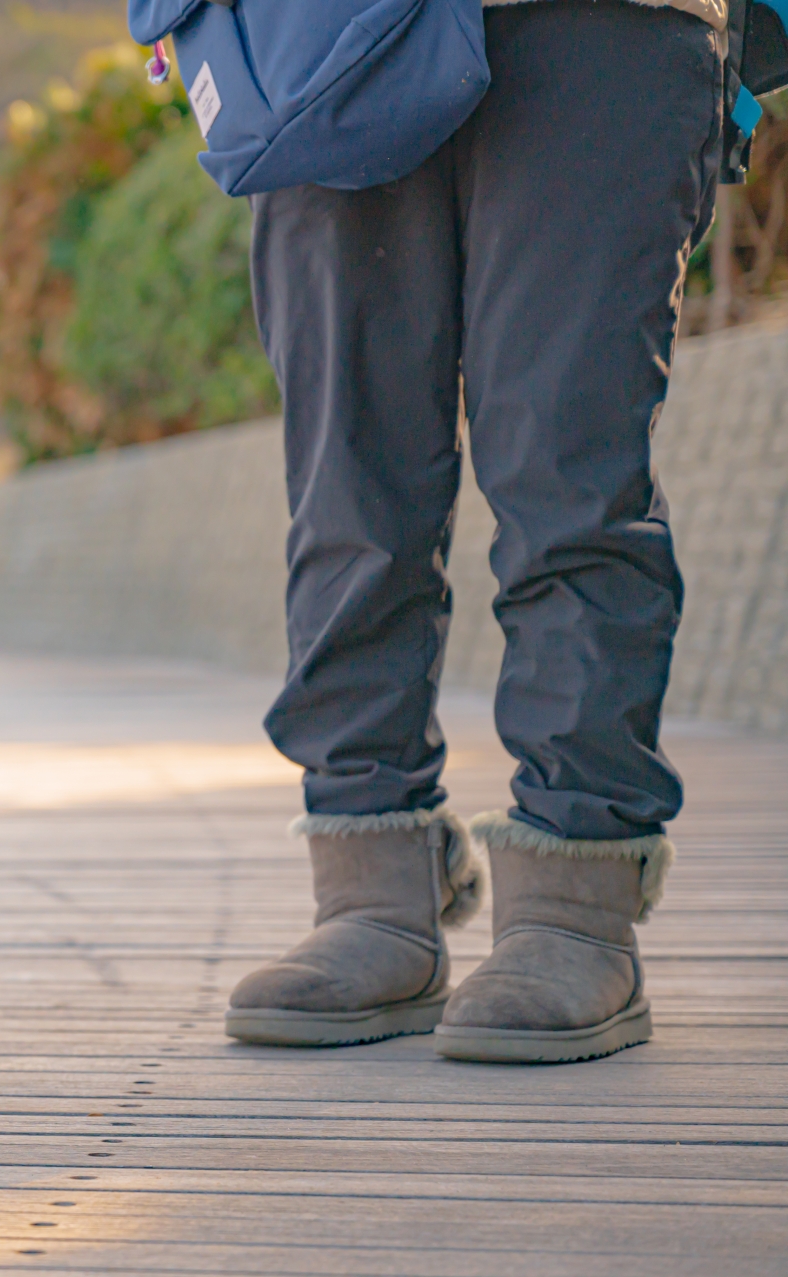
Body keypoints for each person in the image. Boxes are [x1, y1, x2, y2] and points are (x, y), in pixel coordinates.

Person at [224, 0, 725, 1063]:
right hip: (321, 33)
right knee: (348, 490)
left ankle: (576, 901)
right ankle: (371, 889)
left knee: (568, 477)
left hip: (604, 27)